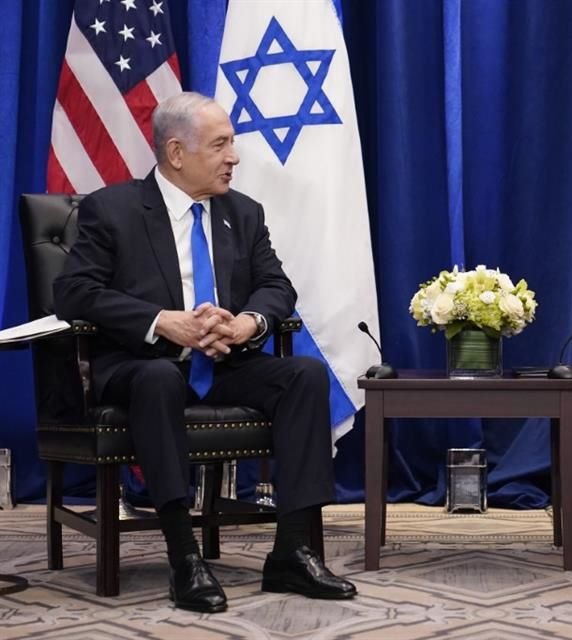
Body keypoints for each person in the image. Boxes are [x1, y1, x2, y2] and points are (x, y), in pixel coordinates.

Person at [53, 92, 357, 613]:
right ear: (176, 153)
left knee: (304, 375)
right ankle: (184, 556)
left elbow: (275, 286)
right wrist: (161, 322)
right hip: (140, 366)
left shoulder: (243, 212)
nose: (233, 157)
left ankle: (292, 551)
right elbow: (75, 292)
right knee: (159, 379)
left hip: (221, 364)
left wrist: (245, 324)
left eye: (231, 144)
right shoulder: (113, 209)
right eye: (220, 145)